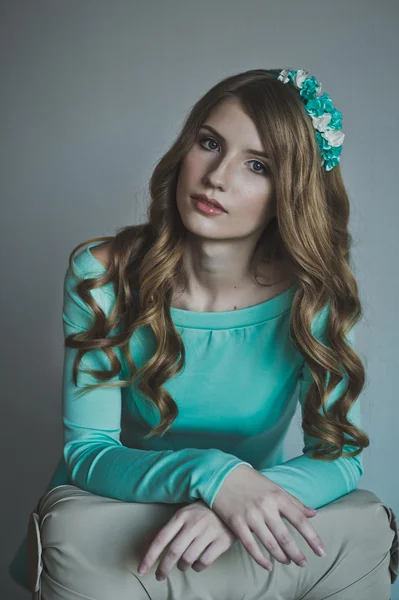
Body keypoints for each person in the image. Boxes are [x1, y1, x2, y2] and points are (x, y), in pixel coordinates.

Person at [9, 68, 398, 599]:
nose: (217, 176)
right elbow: (88, 452)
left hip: (242, 530)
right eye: (209, 143)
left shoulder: (312, 294)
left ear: (291, 189)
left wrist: (242, 498)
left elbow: (339, 453)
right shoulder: (100, 274)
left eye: (257, 165)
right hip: (114, 523)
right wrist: (212, 476)